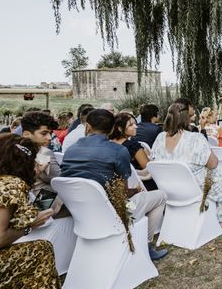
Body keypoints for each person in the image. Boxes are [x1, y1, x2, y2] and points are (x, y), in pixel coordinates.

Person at [61, 109, 168, 260]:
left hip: (81, 217)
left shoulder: (70, 151)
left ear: (87, 127)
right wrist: (135, 191)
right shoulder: (118, 151)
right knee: (161, 196)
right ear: (112, 129)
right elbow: (122, 193)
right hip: (112, 216)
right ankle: (145, 244)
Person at [0, 134, 65, 289]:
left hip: (38, 201)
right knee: (41, 249)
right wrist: (29, 225)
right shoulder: (11, 185)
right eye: (33, 160)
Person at [151, 103, 222, 222]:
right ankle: (217, 218)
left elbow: (154, 162)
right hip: (193, 188)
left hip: (169, 190)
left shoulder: (160, 138)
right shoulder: (195, 138)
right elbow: (212, 164)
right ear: (186, 118)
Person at [20, 111, 62, 196]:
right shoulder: (43, 153)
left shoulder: (11, 150)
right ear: (26, 134)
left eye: (50, 133)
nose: (49, 138)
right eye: (44, 133)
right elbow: (59, 180)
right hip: (41, 201)